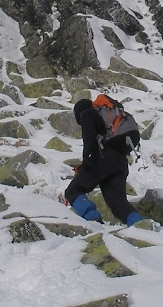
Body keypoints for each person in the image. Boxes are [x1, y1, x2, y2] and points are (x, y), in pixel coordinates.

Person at [63, 96, 148, 228]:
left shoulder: (87, 113)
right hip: (120, 161)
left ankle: (92, 219)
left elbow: (89, 142)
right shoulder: (108, 117)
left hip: (104, 157)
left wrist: (86, 162)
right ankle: (141, 225)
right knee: (118, 204)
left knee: (73, 191)